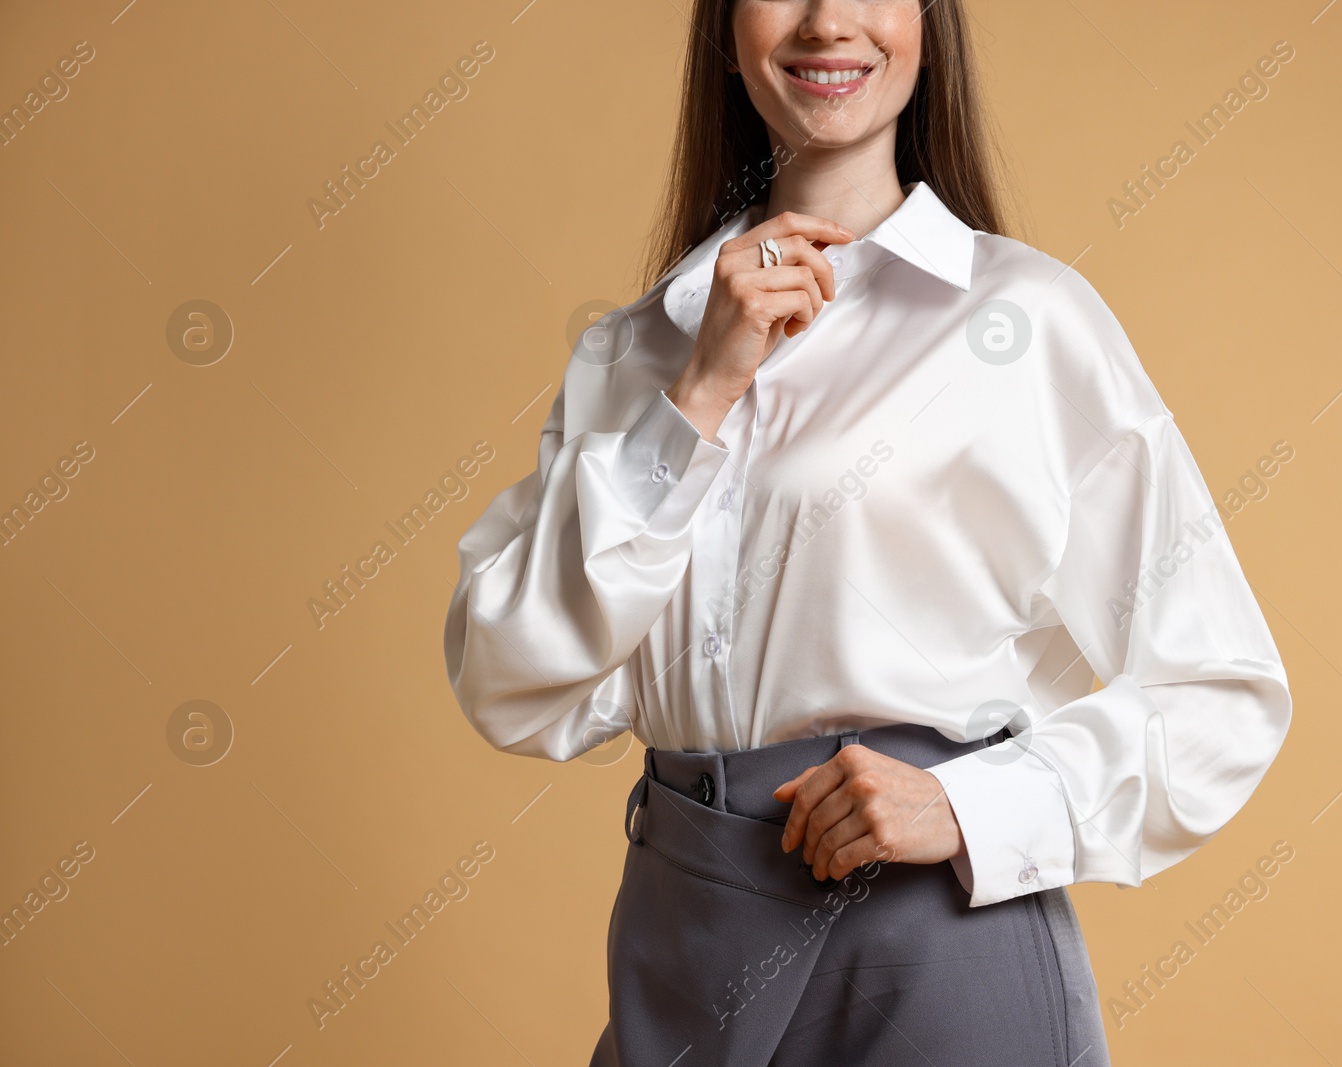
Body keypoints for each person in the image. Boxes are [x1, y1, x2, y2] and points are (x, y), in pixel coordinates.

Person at [442, 1, 1292, 1063]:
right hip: (678, 937)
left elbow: (1222, 688)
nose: (826, 20)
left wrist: (972, 802)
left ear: (929, 23)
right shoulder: (638, 351)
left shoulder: (1024, 321)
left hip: (930, 944)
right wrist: (700, 391)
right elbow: (507, 676)